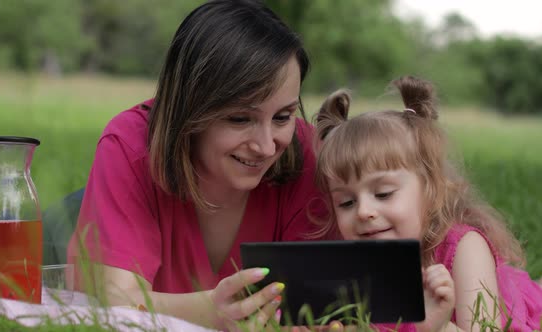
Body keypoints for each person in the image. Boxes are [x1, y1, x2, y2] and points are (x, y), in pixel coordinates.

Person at [66, 0, 326, 330]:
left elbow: (329, 301)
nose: (265, 145)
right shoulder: (129, 145)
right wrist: (208, 313)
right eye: (239, 118)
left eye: (283, 116)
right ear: (190, 109)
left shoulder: (308, 154)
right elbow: (114, 299)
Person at [313, 76, 542, 332]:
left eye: (384, 194)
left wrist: (439, 326)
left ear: (432, 188)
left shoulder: (465, 249)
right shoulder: (353, 260)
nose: (364, 211)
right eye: (346, 202)